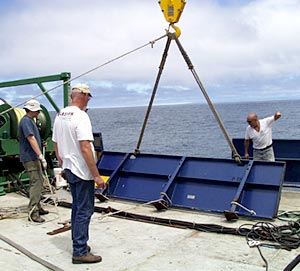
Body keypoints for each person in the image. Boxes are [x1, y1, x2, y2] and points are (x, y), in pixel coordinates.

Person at [52, 83, 106, 264]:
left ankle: (78, 242)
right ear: (83, 95)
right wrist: (97, 175)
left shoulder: (60, 115)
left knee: (77, 208)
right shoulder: (81, 116)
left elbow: (56, 144)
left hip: (69, 168)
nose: (88, 100)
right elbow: (85, 147)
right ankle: (80, 251)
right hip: (82, 172)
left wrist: (63, 166)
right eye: (88, 97)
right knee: (84, 210)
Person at [19, 99, 49, 223]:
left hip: (33, 156)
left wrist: (41, 143)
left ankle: (37, 206)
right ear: (32, 110)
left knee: (40, 180)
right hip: (30, 157)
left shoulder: (31, 121)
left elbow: (34, 138)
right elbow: (31, 139)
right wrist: (41, 156)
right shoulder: (26, 121)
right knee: (36, 182)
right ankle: (33, 212)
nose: (38, 113)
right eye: (37, 111)